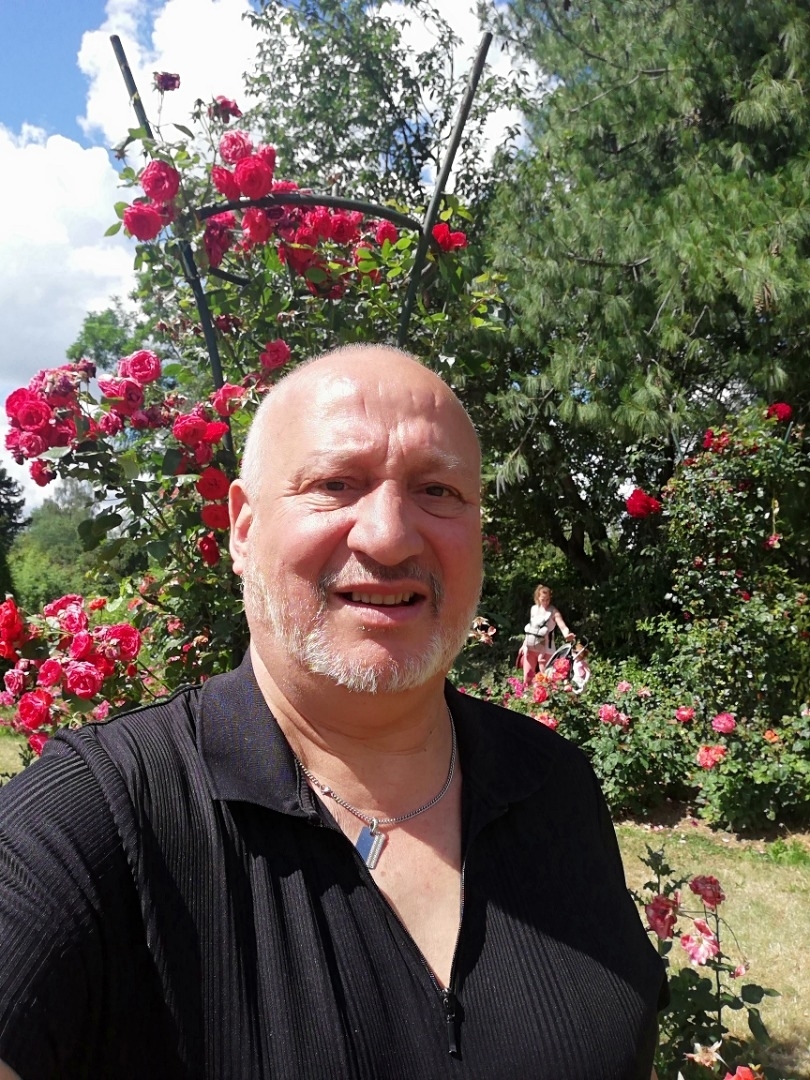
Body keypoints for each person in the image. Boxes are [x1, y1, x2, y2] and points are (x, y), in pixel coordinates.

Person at [0, 345, 665, 1079]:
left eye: (438, 490)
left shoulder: (554, 784)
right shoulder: (99, 816)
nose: (389, 535)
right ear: (243, 529)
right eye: (335, 483)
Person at [517, 582, 574, 682]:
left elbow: (562, 626)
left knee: (547, 680)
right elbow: (531, 629)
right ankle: (526, 692)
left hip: (547, 650)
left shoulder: (553, 612)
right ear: (538, 597)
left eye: (548, 599)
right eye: (543, 599)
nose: (545, 602)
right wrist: (524, 645)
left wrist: (567, 635)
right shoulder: (533, 609)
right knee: (527, 678)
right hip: (531, 647)